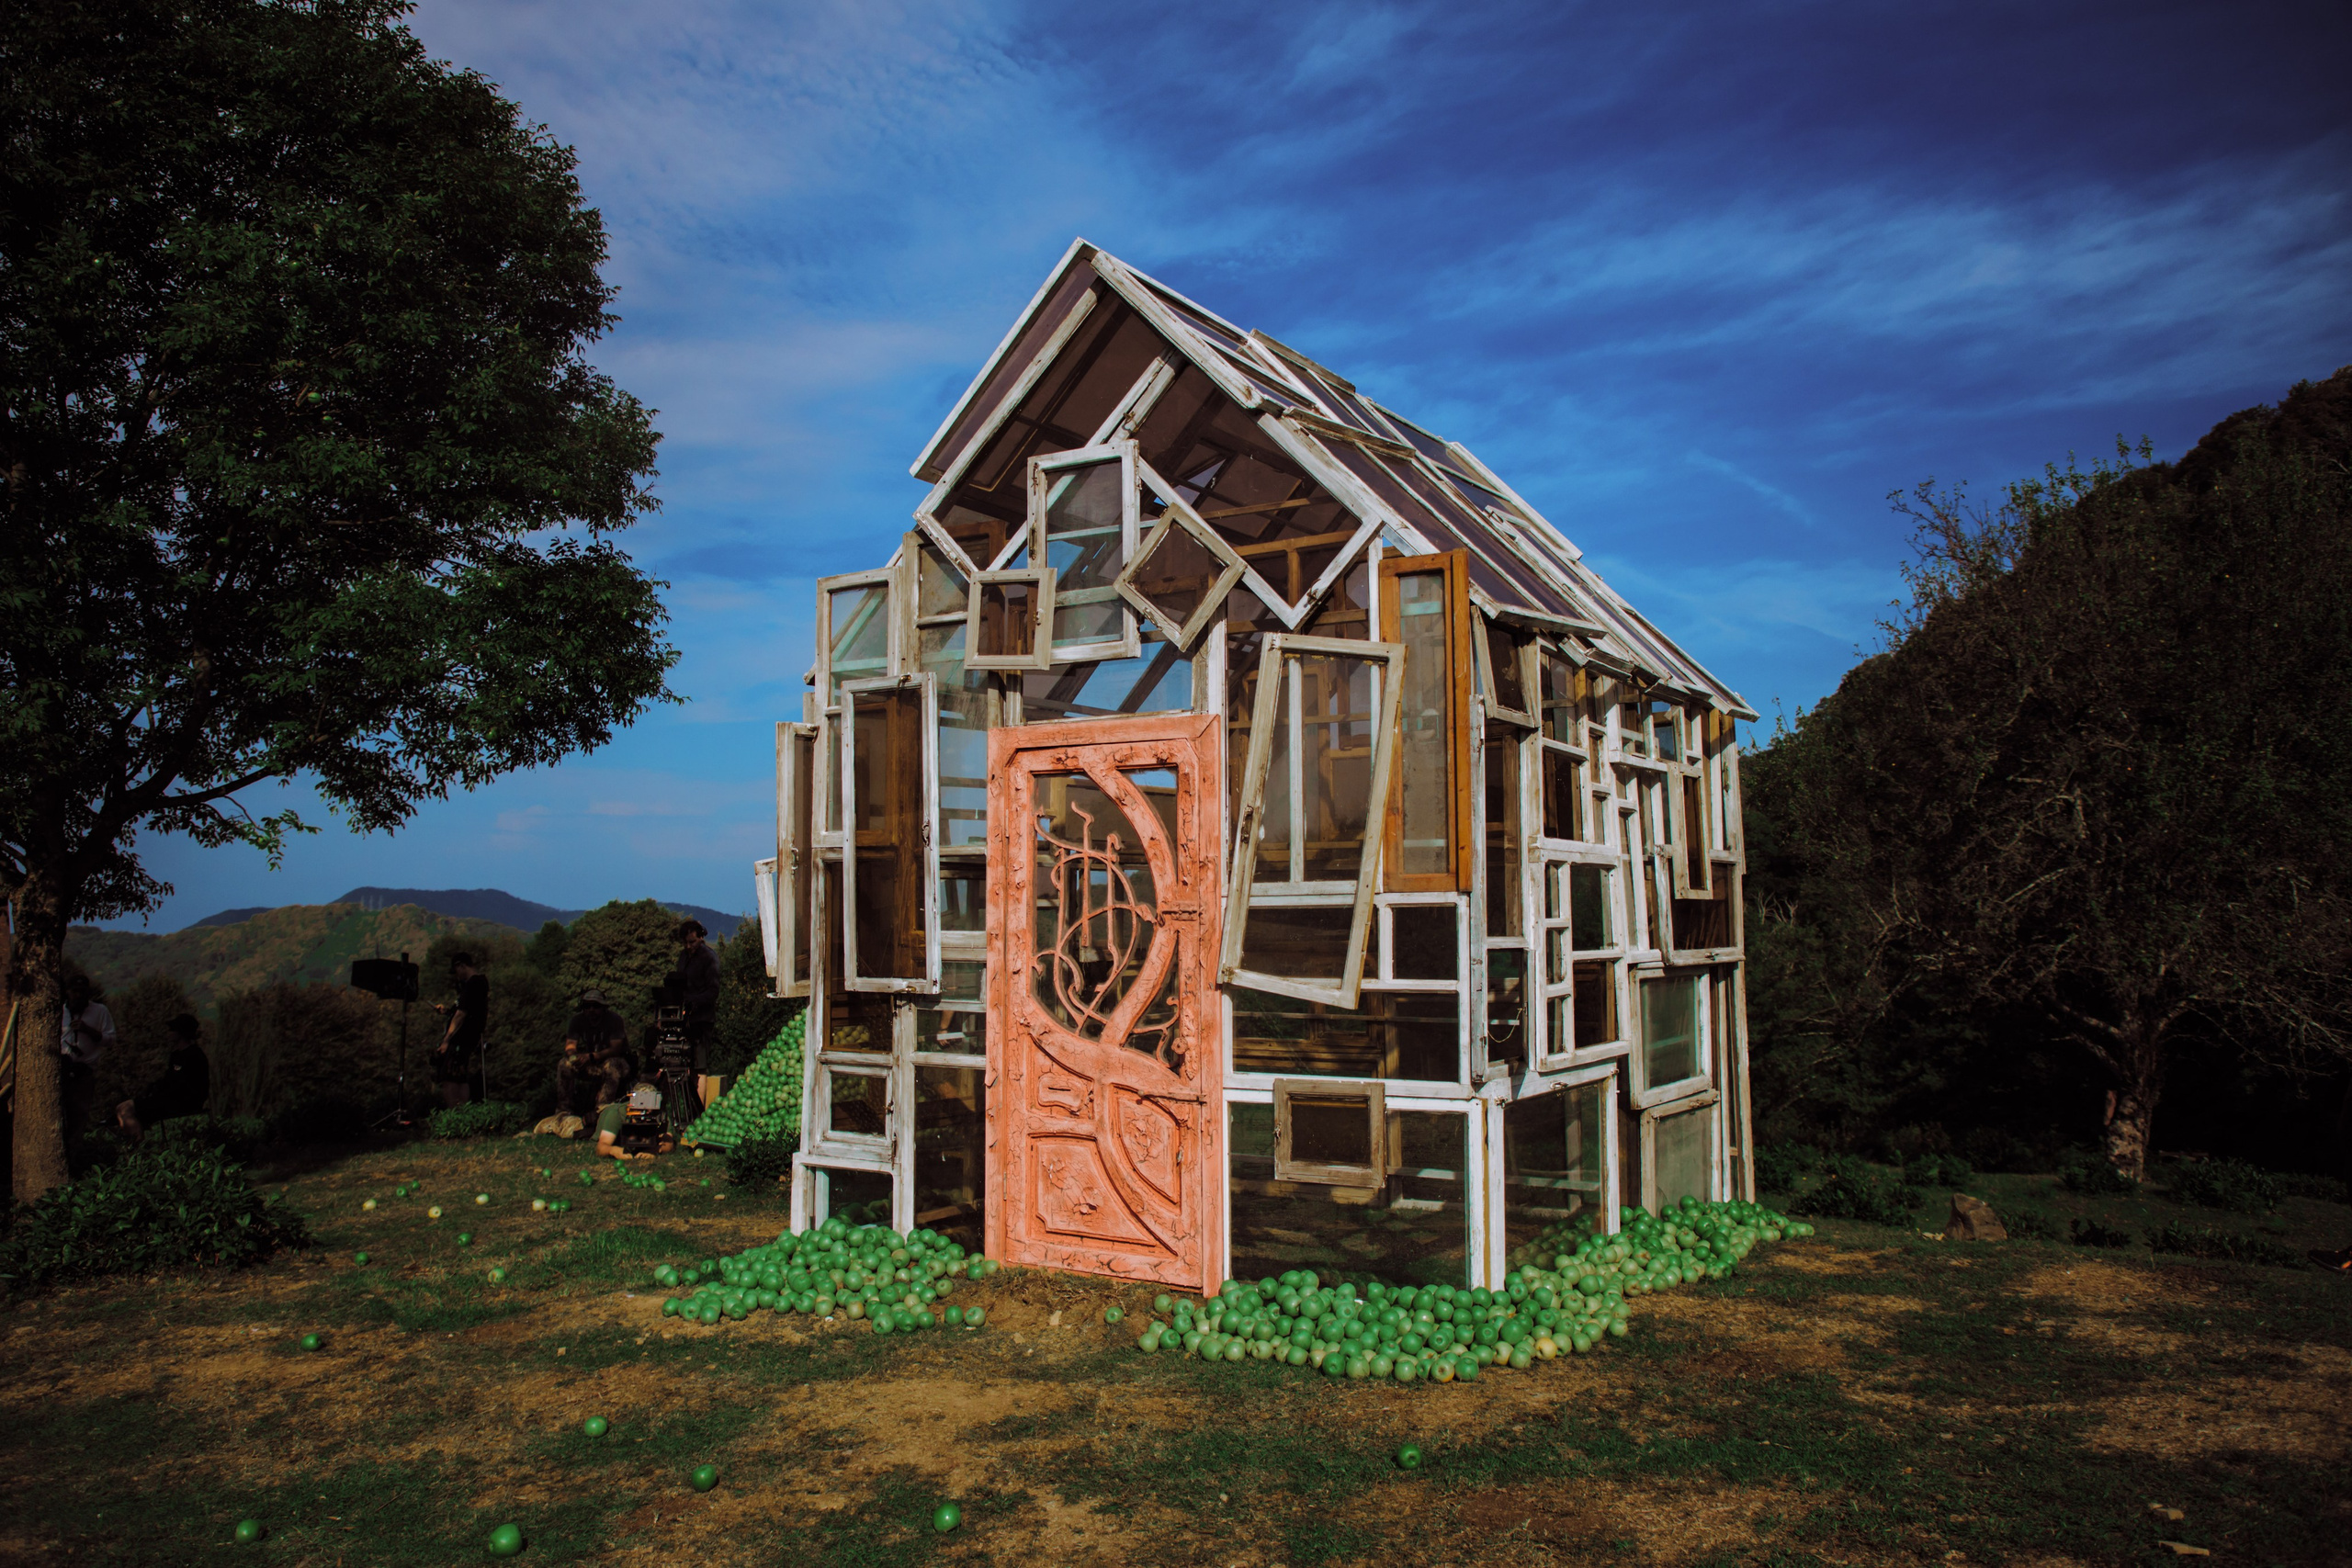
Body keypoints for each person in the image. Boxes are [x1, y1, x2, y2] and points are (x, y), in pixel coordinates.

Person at [116, 1013, 210, 1141]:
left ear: (181, 1032)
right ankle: (134, 1141)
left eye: (172, 1029)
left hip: (179, 1103)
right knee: (121, 1109)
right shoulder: (176, 1055)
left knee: (126, 1110)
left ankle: (138, 1146)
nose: (169, 1033)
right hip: (166, 1100)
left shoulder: (195, 1056)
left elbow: (193, 1087)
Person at [556, 988, 630, 1117]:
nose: (591, 1010)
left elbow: (616, 1049)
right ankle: (564, 1111)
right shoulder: (577, 1021)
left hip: (617, 1063)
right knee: (564, 1064)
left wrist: (592, 1057)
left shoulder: (614, 1020)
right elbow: (570, 1045)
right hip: (591, 1064)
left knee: (612, 1065)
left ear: (603, 1007)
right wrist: (575, 1057)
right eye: (587, 1006)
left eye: (595, 1006)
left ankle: (602, 1111)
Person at [59, 975, 116, 1142]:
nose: (78, 996)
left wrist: (89, 1031)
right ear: (67, 992)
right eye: (75, 992)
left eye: (82, 992)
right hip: (62, 1068)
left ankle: (75, 1153)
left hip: (84, 1071)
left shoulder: (99, 1011)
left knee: (79, 1116)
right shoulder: (59, 1012)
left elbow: (111, 1039)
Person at [432, 953, 489, 1108]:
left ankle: (455, 1113)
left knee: (449, 1077)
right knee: (460, 1076)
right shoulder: (479, 984)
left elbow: (461, 1014)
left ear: (461, 966)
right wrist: (447, 1011)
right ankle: (463, 1113)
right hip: (470, 1037)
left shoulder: (472, 984)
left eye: (457, 969)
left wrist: (446, 1039)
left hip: (461, 1038)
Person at [677, 919, 722, 1111]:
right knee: (686, 1066)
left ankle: (698, 1112)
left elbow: (713, 992)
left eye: (692, 942)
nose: (689, 946)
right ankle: (686, 1109)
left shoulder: (709, 957)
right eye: (686, 943)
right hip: (685, 1019)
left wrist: (693, 1001)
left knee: (699, 1066)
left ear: (701, 937)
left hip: (701, 1020)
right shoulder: (683, 957)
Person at [592, 1061, 670, 1162]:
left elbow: (669, 1144)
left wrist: (654, 1150)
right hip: (605, 1115)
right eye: (641, 1102)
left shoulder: (660, 1114)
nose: (645, 1109)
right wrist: (614, 1150)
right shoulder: (617, 1114)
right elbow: (601, 1147)